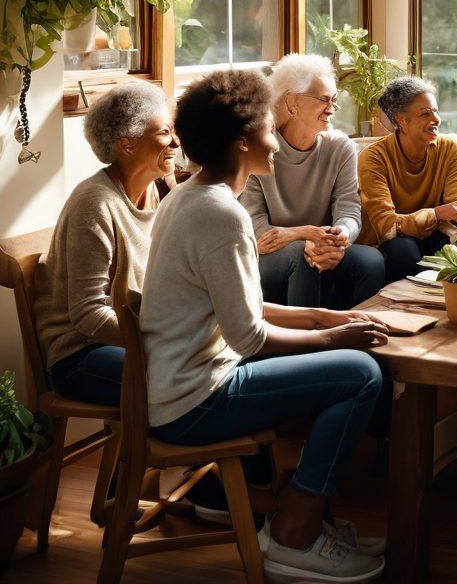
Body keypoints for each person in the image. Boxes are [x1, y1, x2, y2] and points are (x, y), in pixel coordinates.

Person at [142, 69, 390, 583]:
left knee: (349, 361)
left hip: (184, 387)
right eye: (266, 128)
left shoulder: (191, 197)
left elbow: (246, 306)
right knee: (362, 374)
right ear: (240, 142)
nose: (275, 136)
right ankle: (294, 536)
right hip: (194, 401)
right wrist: (332, 340)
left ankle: (303, 519)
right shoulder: (221, 215)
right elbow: (249, 337)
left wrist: (329, 317)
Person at [35, 80, 177, 407]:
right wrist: (163, 339)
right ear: (127, 145)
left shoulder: (158, 191)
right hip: (81, 356)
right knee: (194, 373)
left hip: (128, 341)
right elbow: (88, 315)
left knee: (222, 361)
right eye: (165, 133)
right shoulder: (95, 203)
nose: (176, 141)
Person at [241, 53, 385, 310]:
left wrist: (339, 236)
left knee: (370, 260)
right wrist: (303, 235)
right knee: (301, 255)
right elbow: (254, 226)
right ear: (292, 102)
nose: (332, 108)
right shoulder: (259, 146)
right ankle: (307, 341)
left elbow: (349, 210)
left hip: (321, 244)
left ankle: (358, 336)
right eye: (324, 100)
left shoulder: (341, 147)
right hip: (270, 255)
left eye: (334, 100)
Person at [356, 76, 457, 283]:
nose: (436, 120)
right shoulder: (373, 157)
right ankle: (398, 312)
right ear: (402, 121)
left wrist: (438, 218)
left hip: (434, 233)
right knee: (404, 250)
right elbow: (387, 227)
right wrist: (435, 213)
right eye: (425, 114)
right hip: (389, 243)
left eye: (436, 111)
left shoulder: (451, 148)